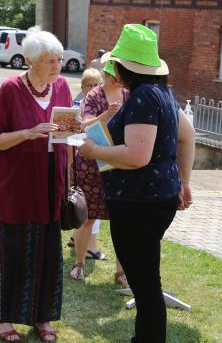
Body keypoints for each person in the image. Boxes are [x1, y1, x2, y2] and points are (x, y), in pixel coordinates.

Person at [79, 24, 196, 343]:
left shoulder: (143, 97)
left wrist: (94, 150)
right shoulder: (162, 93)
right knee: (146, 282)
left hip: (140, 204)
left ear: (123, 66)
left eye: (114, 63)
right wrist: (184, 182)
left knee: (145, 287)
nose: (111, 67)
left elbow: (137, 155)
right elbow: (188, 137)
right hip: (154, 199)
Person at [0, 28, 73, 342]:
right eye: (50, 61)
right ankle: (6, 320)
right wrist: (27, 132)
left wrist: (80, 132)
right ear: (32, 60)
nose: (57, 66)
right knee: (17, 250)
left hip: (52, 181)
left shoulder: (61, 86)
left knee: (49, 252)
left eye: (59, 60)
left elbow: (67, 132)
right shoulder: (10, 89)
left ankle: (42, 318)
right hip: (19, 183)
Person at [70, 61, 128, 288]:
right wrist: (105, 114)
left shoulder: (129, 94)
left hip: (118, 162)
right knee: (87, 216)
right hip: (92, 163)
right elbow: (84, 125)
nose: (117, 80)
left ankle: (121, 272)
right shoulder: (94, 95)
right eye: (114, 76)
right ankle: (80, 263)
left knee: (122, 221)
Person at [69, 68, 104, 259]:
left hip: (99, 159)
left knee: (94, 210)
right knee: (87, 207)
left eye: (95, 85)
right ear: (82, 87)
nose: (91, 89)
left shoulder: (102, 104)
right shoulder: (76, 106)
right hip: (81, 160)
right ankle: (87, 249)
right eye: (87, 85)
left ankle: (86, 243)